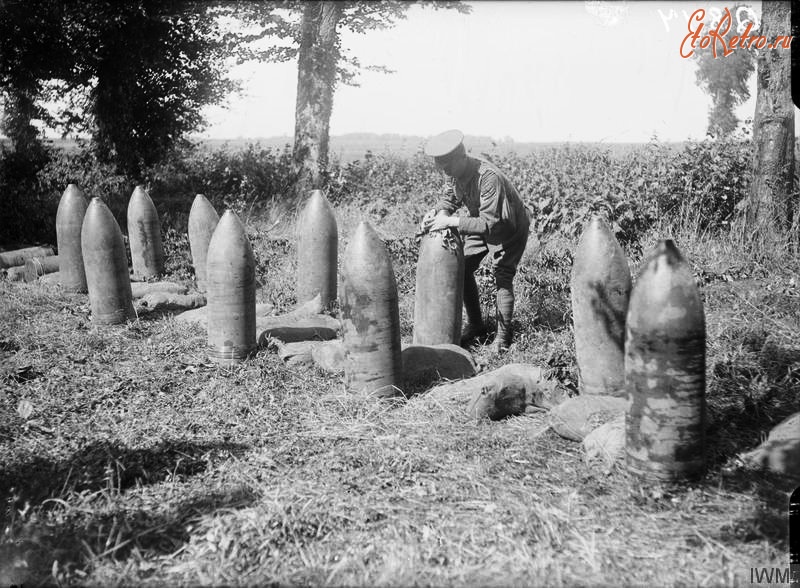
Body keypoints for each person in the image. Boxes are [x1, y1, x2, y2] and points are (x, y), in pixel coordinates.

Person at [420, 129, 530, 352]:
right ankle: (477, 326)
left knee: (503, 275)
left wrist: (450, 222)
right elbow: (449, 197)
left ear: (462, 157)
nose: (446, 173)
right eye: (442, 169)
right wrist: (437, 213)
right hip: (480, 221)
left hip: (508, 226)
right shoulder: (454, 172)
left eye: (448, 167)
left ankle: (502, 339)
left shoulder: (488, 178)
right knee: (463, 268)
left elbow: (492, 224)